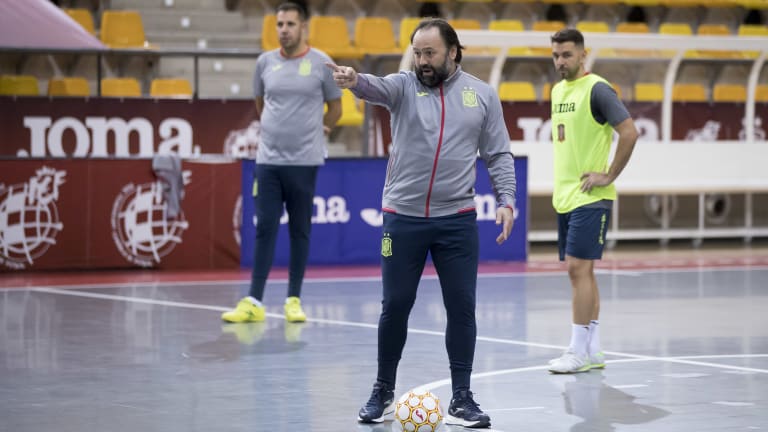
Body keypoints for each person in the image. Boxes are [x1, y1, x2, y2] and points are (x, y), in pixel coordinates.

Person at [327, 18, 517, 429]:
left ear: (453, 52)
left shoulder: (481, 95)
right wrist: (354, 79)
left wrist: (507, 199)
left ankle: (462, 398)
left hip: (458, 221)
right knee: (394, 306)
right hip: (403, 218)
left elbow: (499, 154)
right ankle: (383, 391)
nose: (422, 61)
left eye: (429, 53)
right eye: (417, 53)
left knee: (462, 308)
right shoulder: (404, 87)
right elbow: (375, 86)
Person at [221, 2, 342, 324]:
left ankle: (293, 299)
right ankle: (254, 301)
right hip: (269, 161)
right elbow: (261, 105)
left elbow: (336, 108)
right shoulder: (264, 63)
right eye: (279, 24)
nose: (284, 30)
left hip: (304, 162)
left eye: (290, 24)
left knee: (300, 231)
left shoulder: (321, 63)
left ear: (304, 27)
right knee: (266, 228)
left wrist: (324, 128)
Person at [547, 29, 638, 374]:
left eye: (567, 55)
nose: (560, 61)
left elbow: (629, 132)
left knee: (577, 270)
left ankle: (577, 351)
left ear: (583, 54)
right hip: (566, 197)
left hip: (591, 197)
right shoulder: (557, 91)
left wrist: (609, 175)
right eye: (556, 55)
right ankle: (593, 350)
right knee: (584, 273)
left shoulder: (598, 89)